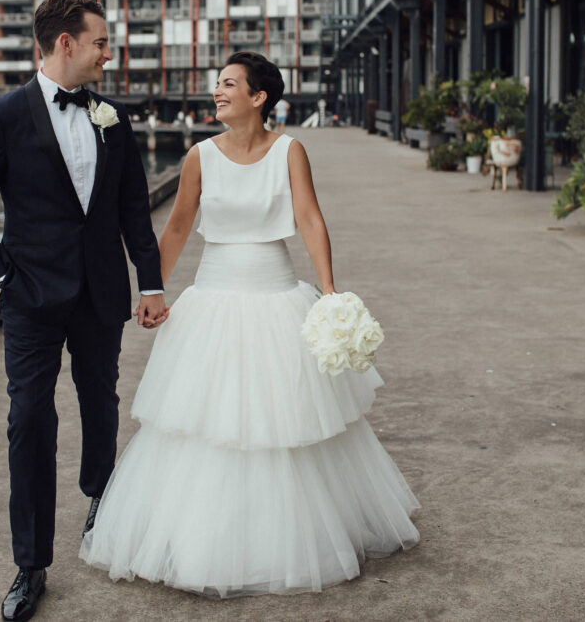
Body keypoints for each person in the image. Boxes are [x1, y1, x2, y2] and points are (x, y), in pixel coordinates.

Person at [80, 51, 419, 597]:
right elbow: (177, 229)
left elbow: (309, 218)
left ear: (258, 97)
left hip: (277, 295)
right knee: (206, 423)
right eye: (217, 84)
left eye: (229, 84)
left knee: (284, 420)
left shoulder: (290, 151)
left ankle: (289, 541)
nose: (217, 92)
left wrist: (329, 292)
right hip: (212, 299)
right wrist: (151, 289)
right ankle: (201, 542)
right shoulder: (199, 157)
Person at [0, 0, 168, 621]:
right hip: (30, 298)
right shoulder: (2, 116)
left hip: (101, 291)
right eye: (101, 41)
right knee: (29, 420)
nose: (110, 52)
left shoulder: (114, 116)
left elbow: (133, 208)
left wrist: (149, 284)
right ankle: (30, 564)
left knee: (101, 400)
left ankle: (100, 501)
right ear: (66, 44)